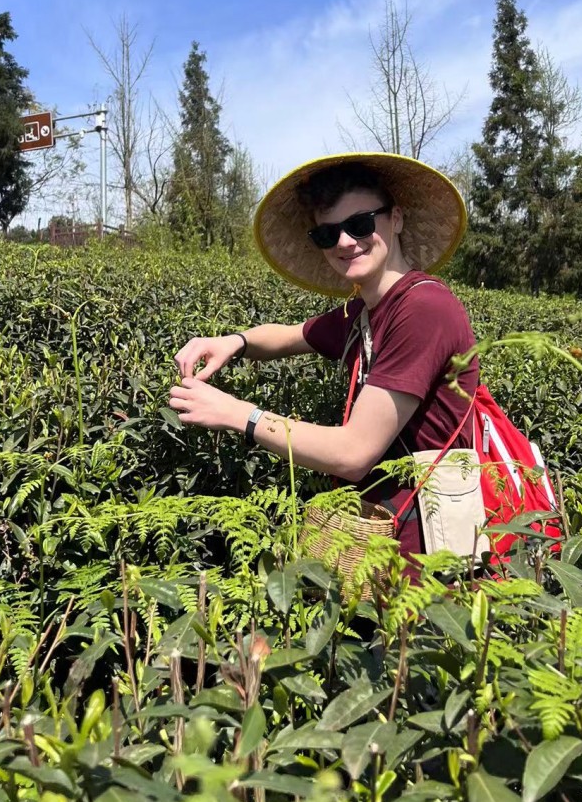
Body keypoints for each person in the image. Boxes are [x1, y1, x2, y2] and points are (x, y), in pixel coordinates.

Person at [169, 152, 479, 563]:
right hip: (376, 548)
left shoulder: (423, 309)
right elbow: (289, 335)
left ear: (396, 218)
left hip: (427, 561)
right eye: (328, 234)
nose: (345, 242)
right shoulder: (363, 313)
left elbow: (353, 453)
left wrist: (237, 414)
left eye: (360, 224)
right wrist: (232, 342)